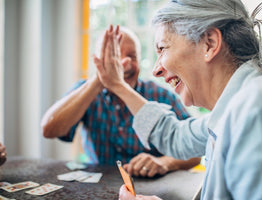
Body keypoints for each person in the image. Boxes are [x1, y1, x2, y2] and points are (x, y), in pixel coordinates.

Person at [92, 0, 262, 200]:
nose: (156, 70)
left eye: (162, 48)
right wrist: (118, 85)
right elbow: (176, 136)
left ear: (209, 44)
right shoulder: (237, 106)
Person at [41, 26, 200, 177]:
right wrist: (100, 80)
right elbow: (50, 130)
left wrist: (164, 162)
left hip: (152, 186)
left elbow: (195, 151)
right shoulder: (84, 90)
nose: (125, 64)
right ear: (98, 61)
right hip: (99, 186)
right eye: (115, 57)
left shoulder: (161, 95)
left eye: (132, 56)